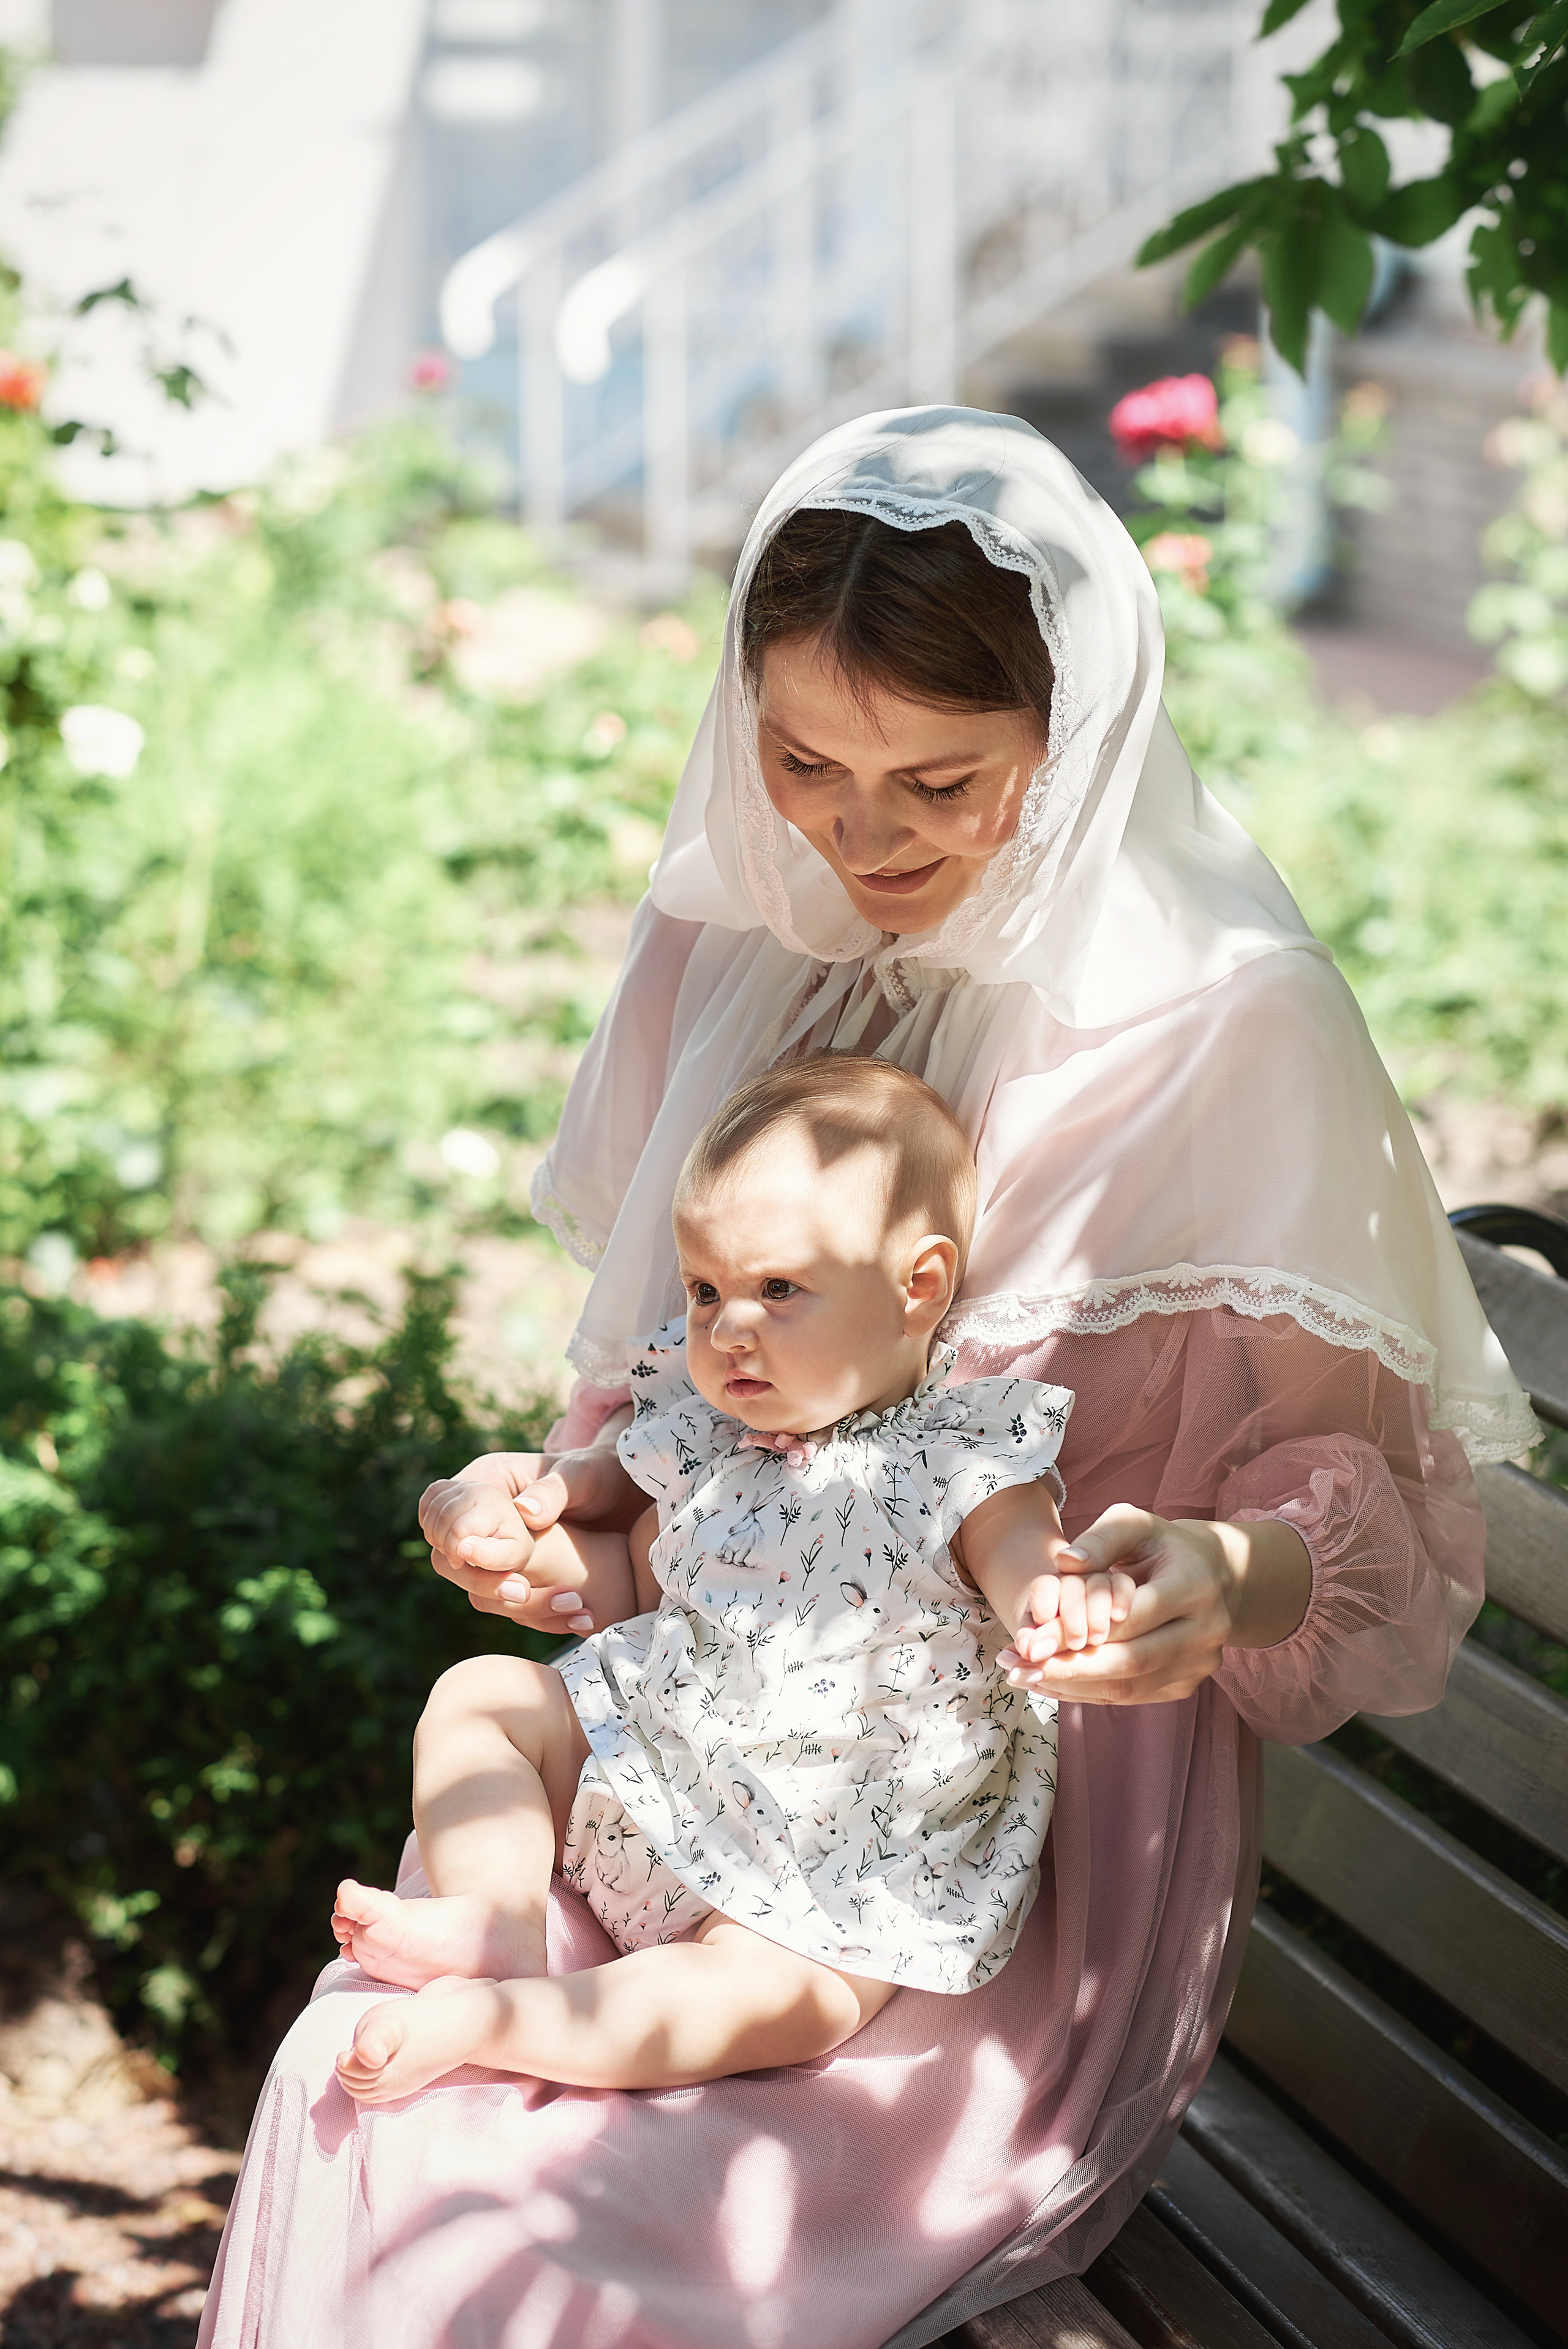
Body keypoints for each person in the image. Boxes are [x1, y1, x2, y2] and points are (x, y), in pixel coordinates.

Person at [197, 407, 1532, 2349]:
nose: (863, 834)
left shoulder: (1223, 1027)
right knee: (372, 2088)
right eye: (804, 758)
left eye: (941, 778)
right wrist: (539, 1533)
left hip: (982, 1878)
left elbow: (1377, 1530)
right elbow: (671, 1442)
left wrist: (1216, 1584)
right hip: (686, 1765)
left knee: (535, 2215)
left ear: (1070, 743)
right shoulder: (743, 935)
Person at [329, 1054, 1116, 2106]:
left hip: (826, 1860)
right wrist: (502, 1492)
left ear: (917, 1286)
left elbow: (1023, 1549)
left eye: (778, 1289)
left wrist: (1052, 1603)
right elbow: (587, 1493)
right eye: (706, 1290)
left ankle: (501, 2024)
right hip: (649, 1760)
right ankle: (497, 1921)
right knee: (482, 1695)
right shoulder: (706, 1426)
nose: (728, 1326)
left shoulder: (961, 1451)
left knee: (781, 2001)